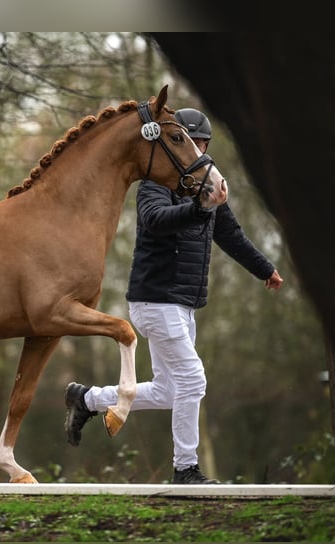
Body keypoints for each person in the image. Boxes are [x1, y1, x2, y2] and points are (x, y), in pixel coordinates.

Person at [64, 108, 284, 484]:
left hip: (182, 304)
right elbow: (153, 219)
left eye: (203, 145)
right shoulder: (158, 183)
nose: (198, 152)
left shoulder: (208, 187)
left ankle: (87, 399)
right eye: (193, 143)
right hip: (155, 300)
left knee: (170, 390)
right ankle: (185, 469)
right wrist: (198, 208)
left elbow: (231, 235)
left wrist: (265, 269)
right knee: (193, 381)